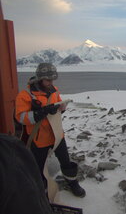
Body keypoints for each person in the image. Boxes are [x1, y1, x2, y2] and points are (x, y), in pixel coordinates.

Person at [15, 63, 86, 198]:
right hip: (39, 138)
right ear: (39, 79)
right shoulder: (25, 95)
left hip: (57, 135)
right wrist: (40, 112)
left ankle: (72, 182)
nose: (51, 82)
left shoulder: (54, 90)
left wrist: (61, 107)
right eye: (48, 80)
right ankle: (42, 190)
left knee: (66, 161)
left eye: (52, 80)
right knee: (39, 167)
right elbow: (20, 117)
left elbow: (58, 104)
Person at [0, 133, 53, 214]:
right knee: (40, 168)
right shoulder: (10, 151)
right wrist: (37, 119)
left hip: (53, 136)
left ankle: (71, 181)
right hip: (38, 141)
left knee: (64, 160)